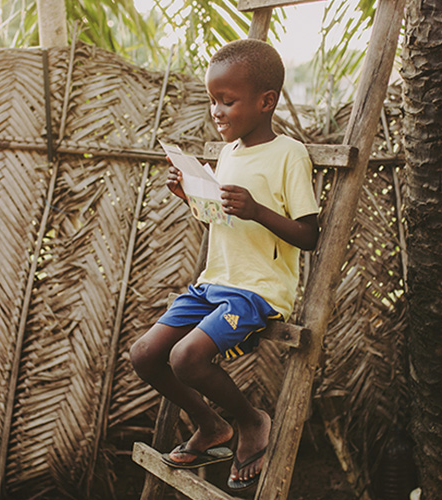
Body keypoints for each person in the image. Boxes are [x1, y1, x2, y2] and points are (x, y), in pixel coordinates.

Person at [130, 38, 319, 491]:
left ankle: (250, 420)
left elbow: (309, 235)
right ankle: (210, 424)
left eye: (227, 101)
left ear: (265, 101)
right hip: (214, 282)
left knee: (186, 358)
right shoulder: (229, 153)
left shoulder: (289, 154)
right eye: (212, 100)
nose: (216, 110)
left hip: (257, 291)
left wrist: (257, 210)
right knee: (144, 355)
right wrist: (193, 199)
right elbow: (224, 221)